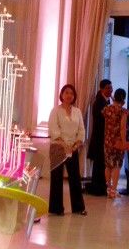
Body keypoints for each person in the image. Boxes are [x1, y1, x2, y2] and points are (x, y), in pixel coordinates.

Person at [48, 84, 86, 216]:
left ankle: (78, 207)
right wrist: (64, 145)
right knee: (57, 178)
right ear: (62, 95)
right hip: (58, 147)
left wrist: (76, 144)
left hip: (73, 147)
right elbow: (53, 129)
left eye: (71, 93)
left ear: (74, 96)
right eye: (66, 93)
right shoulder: (55, 111)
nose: (69, 95)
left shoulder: (77, 111)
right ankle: (56, 209)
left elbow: (81, 129)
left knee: (75, 177)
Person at [87, 79, 112, 196]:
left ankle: (101, 187)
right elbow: (101, 120)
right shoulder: (99, 102)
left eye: (111, 87)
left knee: (102, 163)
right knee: (99, 163)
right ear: (101, 89)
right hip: (99, 137)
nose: (110, 90)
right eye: (107, 88)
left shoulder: (106, 101)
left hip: (104, 137)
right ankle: (97, 188)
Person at [103, 88, 128, 198]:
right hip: (118, 141)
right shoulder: (123, 111)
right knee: (116, 165)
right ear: (123, 98)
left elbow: (106, 125)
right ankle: (114, 190)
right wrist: (124, 142)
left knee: (108, 165)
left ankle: (108, 189)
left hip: (107, 140)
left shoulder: (107, 109)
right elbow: (122, 128)